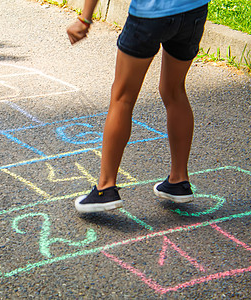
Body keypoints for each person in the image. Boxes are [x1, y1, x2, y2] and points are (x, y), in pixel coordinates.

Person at [67, 0, 210, 213]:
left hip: (149, 14)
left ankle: (105, 188)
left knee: (122, 97)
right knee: (174, 90)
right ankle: (179, 181)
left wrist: (84, 18)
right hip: (192, 10)